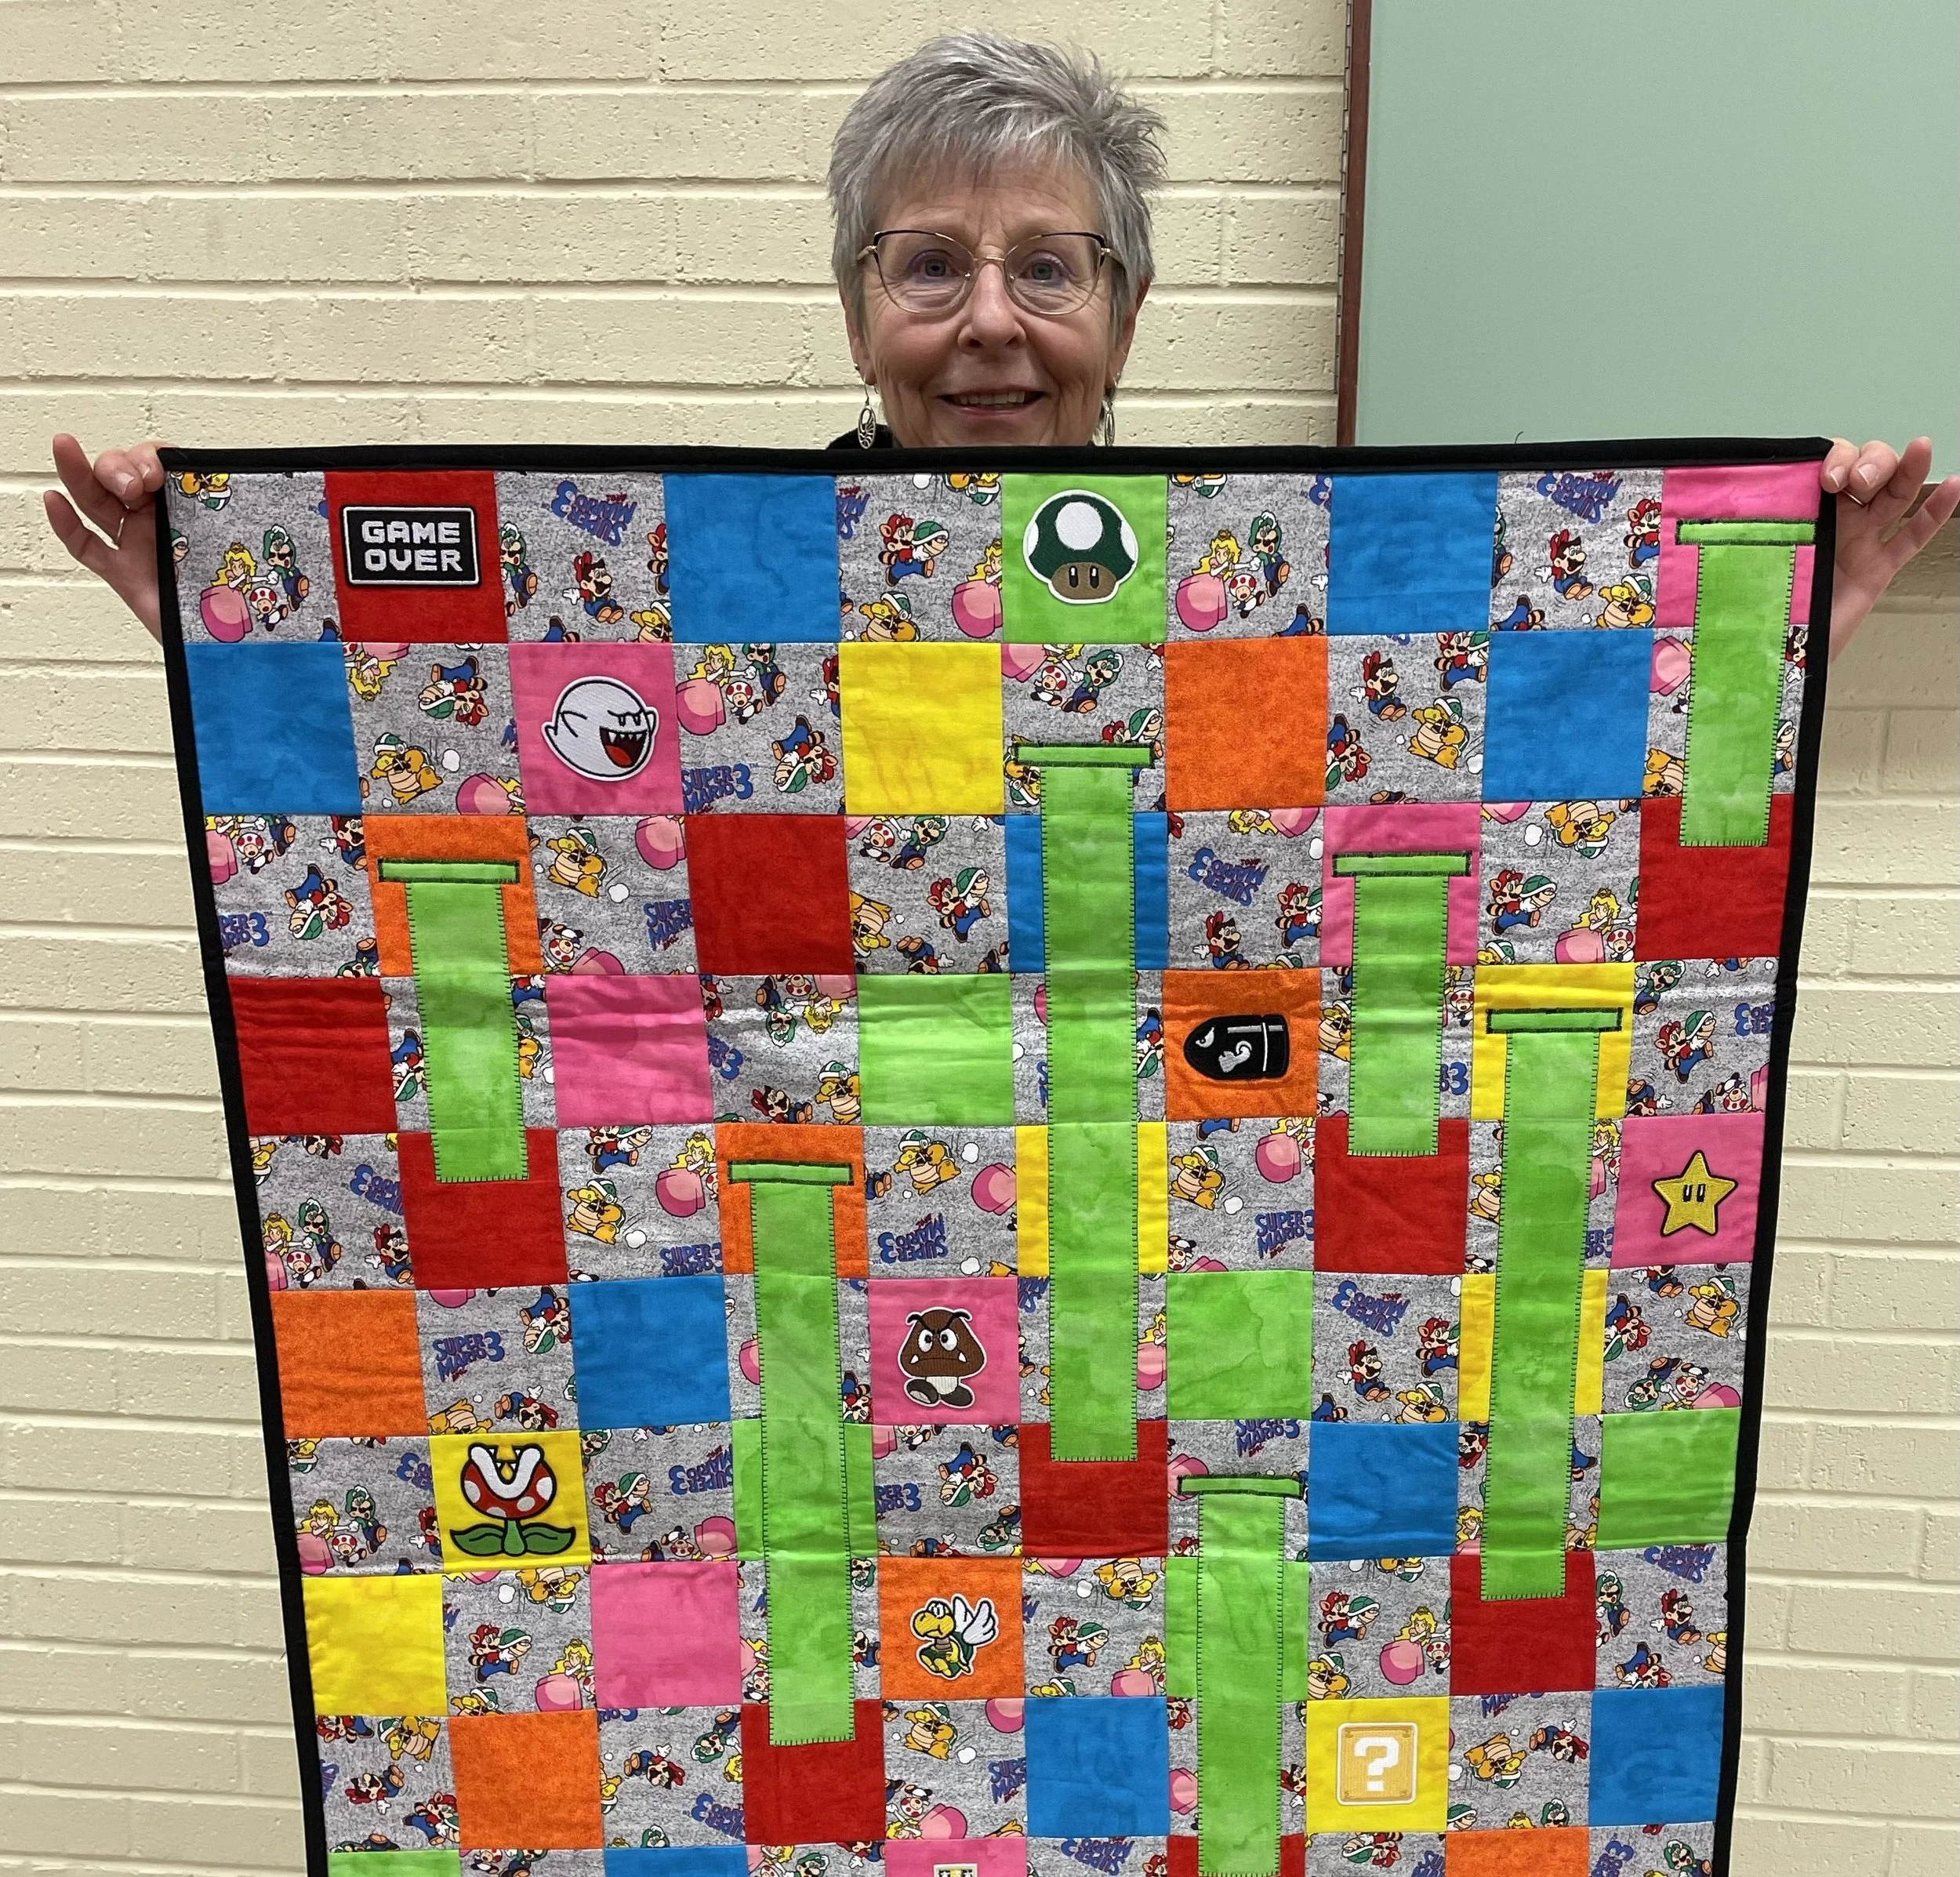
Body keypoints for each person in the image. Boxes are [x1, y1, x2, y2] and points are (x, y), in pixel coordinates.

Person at [39, 33, 1956, 659]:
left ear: (1126, 314)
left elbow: (1528, 754)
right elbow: (475, 768)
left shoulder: (1255, 596)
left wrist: (1797, 616)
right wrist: (221, 619)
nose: (986, 325)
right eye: (928, 265)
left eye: (1048, 269)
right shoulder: (734, 588)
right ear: (855, 308)